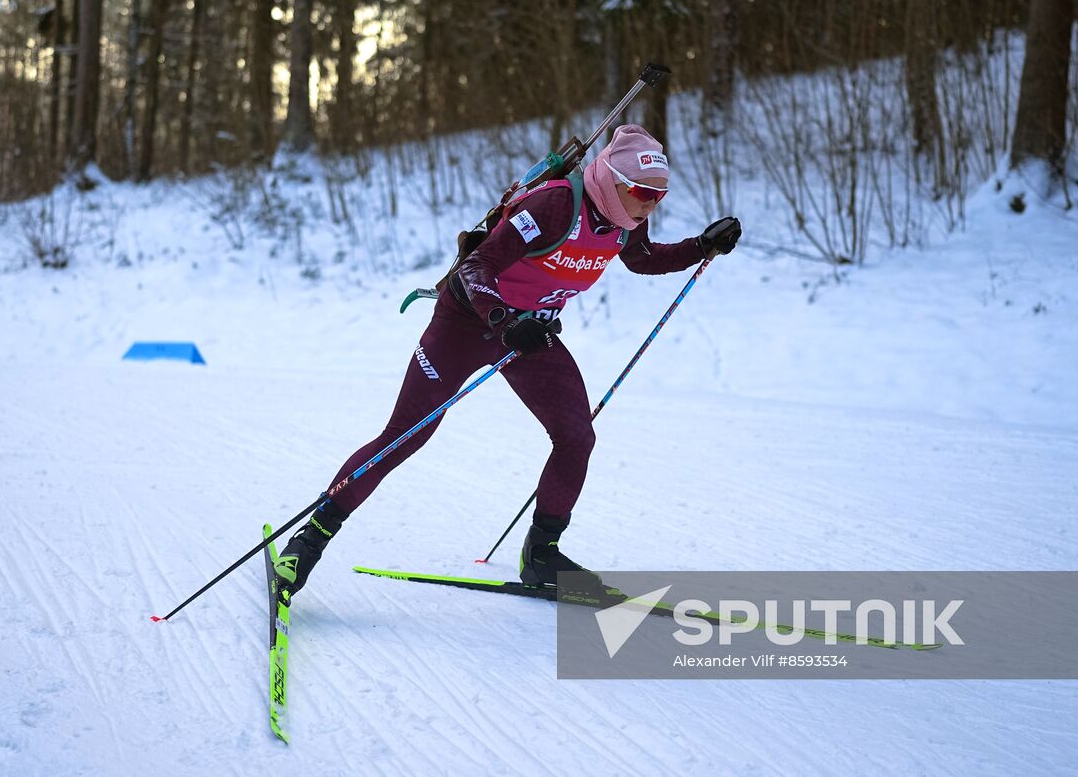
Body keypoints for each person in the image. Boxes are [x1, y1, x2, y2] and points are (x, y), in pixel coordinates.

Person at [274, 124, 742, 597]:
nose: (649, 204)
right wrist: (503, 319)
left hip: (526, 334)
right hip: (465, 322)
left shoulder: (626, 220)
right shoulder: (557, 205)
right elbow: (479, 264)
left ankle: (541, 556)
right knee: (405, 436)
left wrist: (701, 247)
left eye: (659, 196)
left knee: (576, 436)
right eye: (643, 191)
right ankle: (307, 542)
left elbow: (642, 260)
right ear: (612, 179)